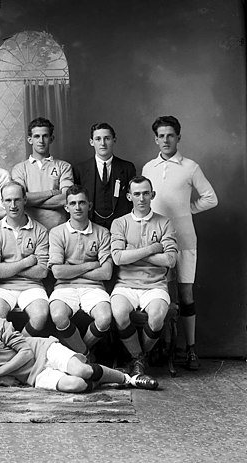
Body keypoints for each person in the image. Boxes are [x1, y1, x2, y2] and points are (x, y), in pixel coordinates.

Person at [0, 295, 158, 392]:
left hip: (42, 350)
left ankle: (128, 379)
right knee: (76, 384)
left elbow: (26, 354)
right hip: (31, 375)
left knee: (83, 371)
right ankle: (104, 378)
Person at [142, 116, 218, 370]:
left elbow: (210, 198)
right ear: (155, 139)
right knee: (158, 294)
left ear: (178, 137)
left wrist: (187, 210)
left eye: (170, 135)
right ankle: (161, 348)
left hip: (184, 239)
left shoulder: (190, 167)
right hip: (157, 242)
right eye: (161, 136)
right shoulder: (148, 168)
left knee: (185, 295)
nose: (166, 140)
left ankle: (191, 349)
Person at [110, 176, 177, 380]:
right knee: (119, 313)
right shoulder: (120, 223)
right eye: (137, 194)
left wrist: (134, 253)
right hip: (126, 285)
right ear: (129, 196)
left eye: (146, 193)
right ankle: (139, 358)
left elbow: (171, 260)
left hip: (155, 285)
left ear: (152, 195)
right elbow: (118, 258)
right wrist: (152, 249)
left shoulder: (164, 222)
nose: (141, 198)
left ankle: (139, 358)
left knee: (157, 318)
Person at [48, 185, 114, 355]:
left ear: (89, 205)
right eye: (73, 203)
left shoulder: (102, 233)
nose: (78, 207)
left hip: (94, 288)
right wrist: (90, 265)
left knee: (105, 318)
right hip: (64, 287)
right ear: (66, 207)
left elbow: (106, 273)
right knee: (58, 316)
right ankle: (85, 354)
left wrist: (71, 269)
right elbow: (57, 272)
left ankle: (78, 354)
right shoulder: (57, 233)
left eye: (82, 203)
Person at [0, 181, 50, 337]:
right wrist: (26, 262)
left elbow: (42, 272)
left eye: (17, 199)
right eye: (8, 200)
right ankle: (12, 347)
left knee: (40, 315)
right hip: (2, 286)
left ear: (25, 200)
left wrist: (7, 268)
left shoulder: (40, 230)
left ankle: (21, 345)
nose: (13, 205)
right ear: (2, 202)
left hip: (32, 286)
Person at [11, 117, 74, 232]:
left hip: (57, 229)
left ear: (51, 139)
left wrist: (30, 201)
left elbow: (65, 199)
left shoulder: (64, 166)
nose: (41, 140)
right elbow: (19, 198)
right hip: (28, 230)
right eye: (36, 136)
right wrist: (50, 193)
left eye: (45, 136)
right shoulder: (19, 169)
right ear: (30, 140)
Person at [73, 122, 136, 229]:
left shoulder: (127, 168)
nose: (103, 143)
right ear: (91, 142)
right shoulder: (80, 170)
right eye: (98, 139)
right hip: (90, 228)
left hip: (121, 227)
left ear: (114, 140)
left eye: (107, 138)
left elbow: (133, 200)